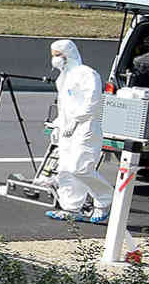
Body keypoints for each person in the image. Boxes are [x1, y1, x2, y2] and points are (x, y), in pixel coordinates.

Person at [46, 39, 114, 223]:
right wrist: (58, 125)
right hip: (67, 130)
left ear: (68, 54)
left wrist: (77, 121)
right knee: (65, 170)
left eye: (58, 55)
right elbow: (64, 106)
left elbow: (93, 101)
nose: (55, 59)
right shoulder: (63, 77)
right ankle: (71, 208)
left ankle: (104, 200)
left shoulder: (87, 74)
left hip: (86, 128)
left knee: (80, 168)